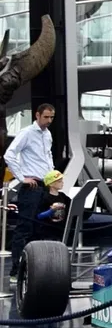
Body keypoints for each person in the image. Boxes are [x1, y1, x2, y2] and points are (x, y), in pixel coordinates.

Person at [4, 103, 57, 274]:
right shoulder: (26, 133)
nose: (49, 120)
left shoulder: (47, 134)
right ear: (37, 115)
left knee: (40, 227)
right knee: (25, 227)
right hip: (31, 186)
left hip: (44, 185)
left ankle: (36, 269)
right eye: (46, 117)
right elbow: (9, 154)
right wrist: (22, 178)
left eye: (52, 117)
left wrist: (53, 176)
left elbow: (47, 156)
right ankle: (16, 270)